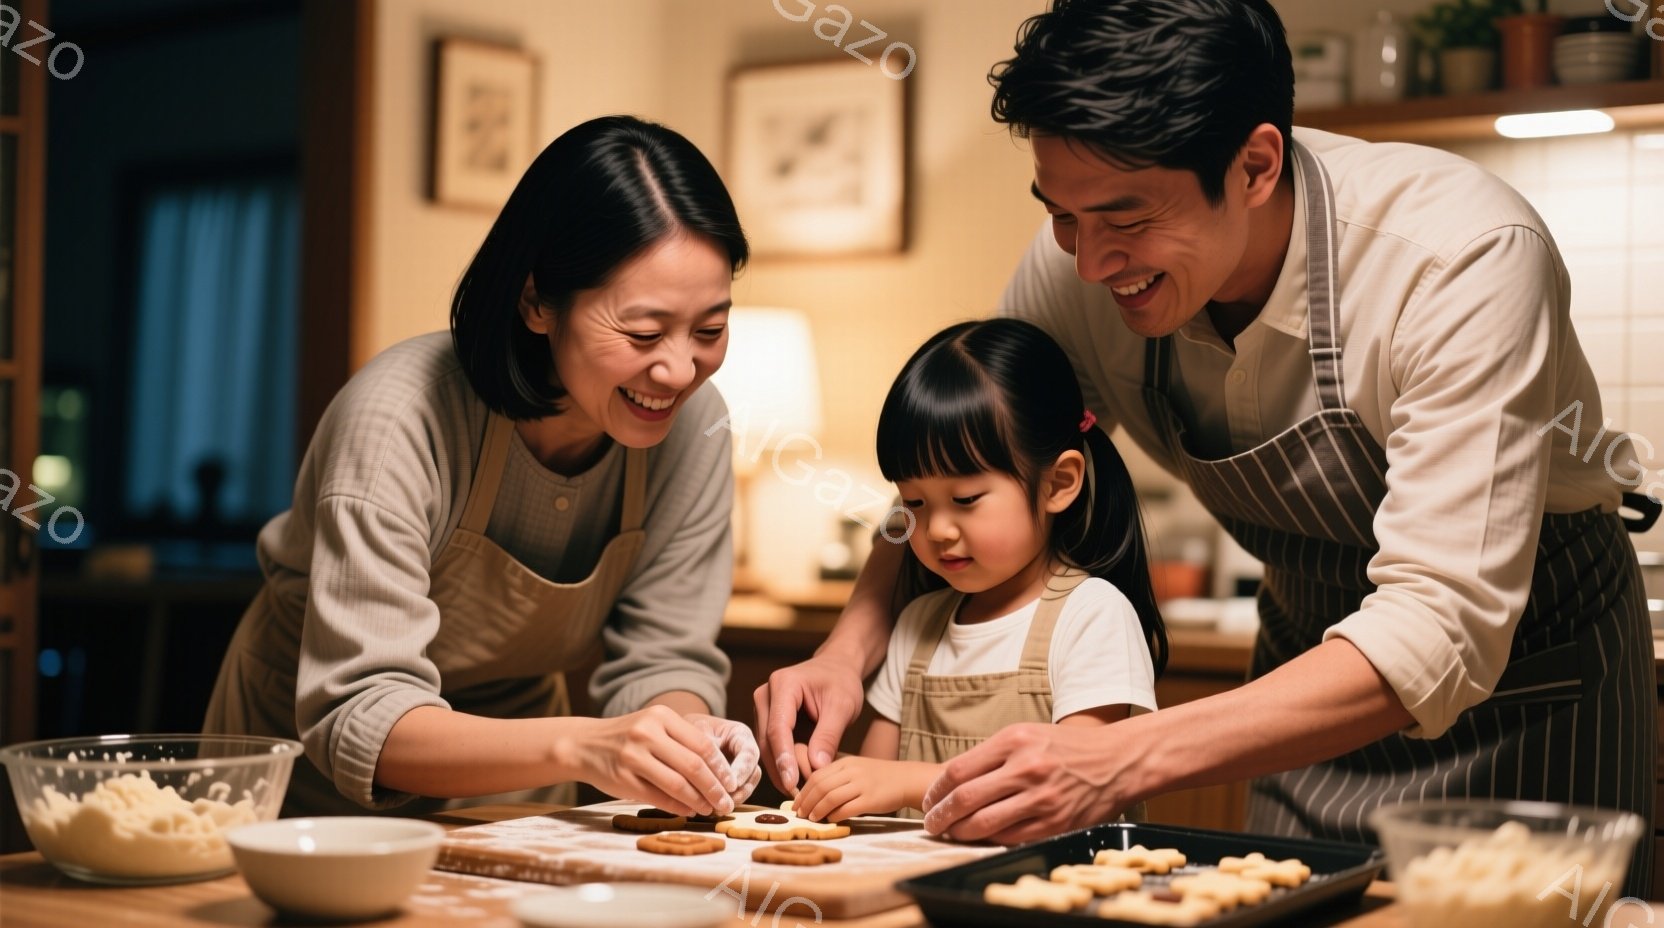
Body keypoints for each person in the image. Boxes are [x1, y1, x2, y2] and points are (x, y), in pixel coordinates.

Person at [757, 0, 1655, 894]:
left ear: (1256, 165)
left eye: (1126, 218)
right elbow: (965, 454)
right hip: (1300, 682)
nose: (1090, 262)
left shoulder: (1458, 256)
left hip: (1532, 686)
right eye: (1062, 215)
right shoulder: (1075, 262)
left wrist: (1116, 756)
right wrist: (848, 645)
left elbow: (1439, 621)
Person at [205, 115, 761, 818]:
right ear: (537, 302)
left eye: (710, 330)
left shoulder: (696, 427)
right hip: (302, 771)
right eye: (645, 332)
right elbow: (363, 711)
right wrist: (585, 747)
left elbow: (666, 656)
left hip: (522, 757)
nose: (681, 370)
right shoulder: (398, 419)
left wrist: (688, 740)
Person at [790, 319, 1165, 822]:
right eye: (915, 502)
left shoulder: (1093, 616)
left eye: (965, 499)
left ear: (1058, 483)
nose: (937, 529)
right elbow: (872, 799)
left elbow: (1073, 784)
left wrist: (904, 781)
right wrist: (825, 776)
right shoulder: (918, 624)